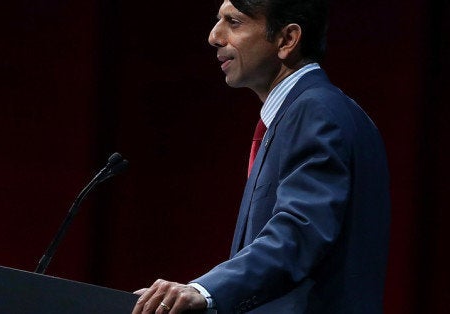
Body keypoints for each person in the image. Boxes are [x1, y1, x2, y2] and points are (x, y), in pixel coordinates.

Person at [132, 0, 391, 313]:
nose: (214, 36)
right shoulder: (318, 113)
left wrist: (204, 290)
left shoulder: (316, 112)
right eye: (218, 20)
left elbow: (300, 231)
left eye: (235, 22)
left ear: (287, 39)